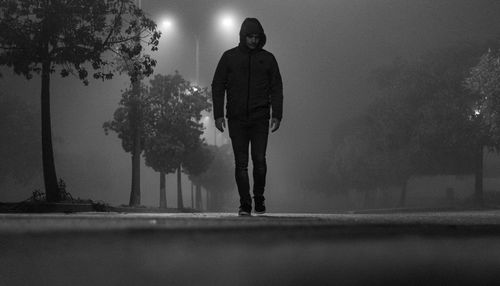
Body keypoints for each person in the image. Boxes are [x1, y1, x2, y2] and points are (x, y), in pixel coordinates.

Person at [211, 17, 283, 216]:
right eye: (250, 36)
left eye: (256, 37)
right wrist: (218, 115)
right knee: (241, 164)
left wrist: (277, 114)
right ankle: (245, 204)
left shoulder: (268, 59)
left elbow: (277, 88)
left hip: (260, 118)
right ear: (243, 37)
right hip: (236, 118)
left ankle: (258, 196)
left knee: (259, 160)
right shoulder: (229, 57)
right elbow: (218, 85)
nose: (253, 40)